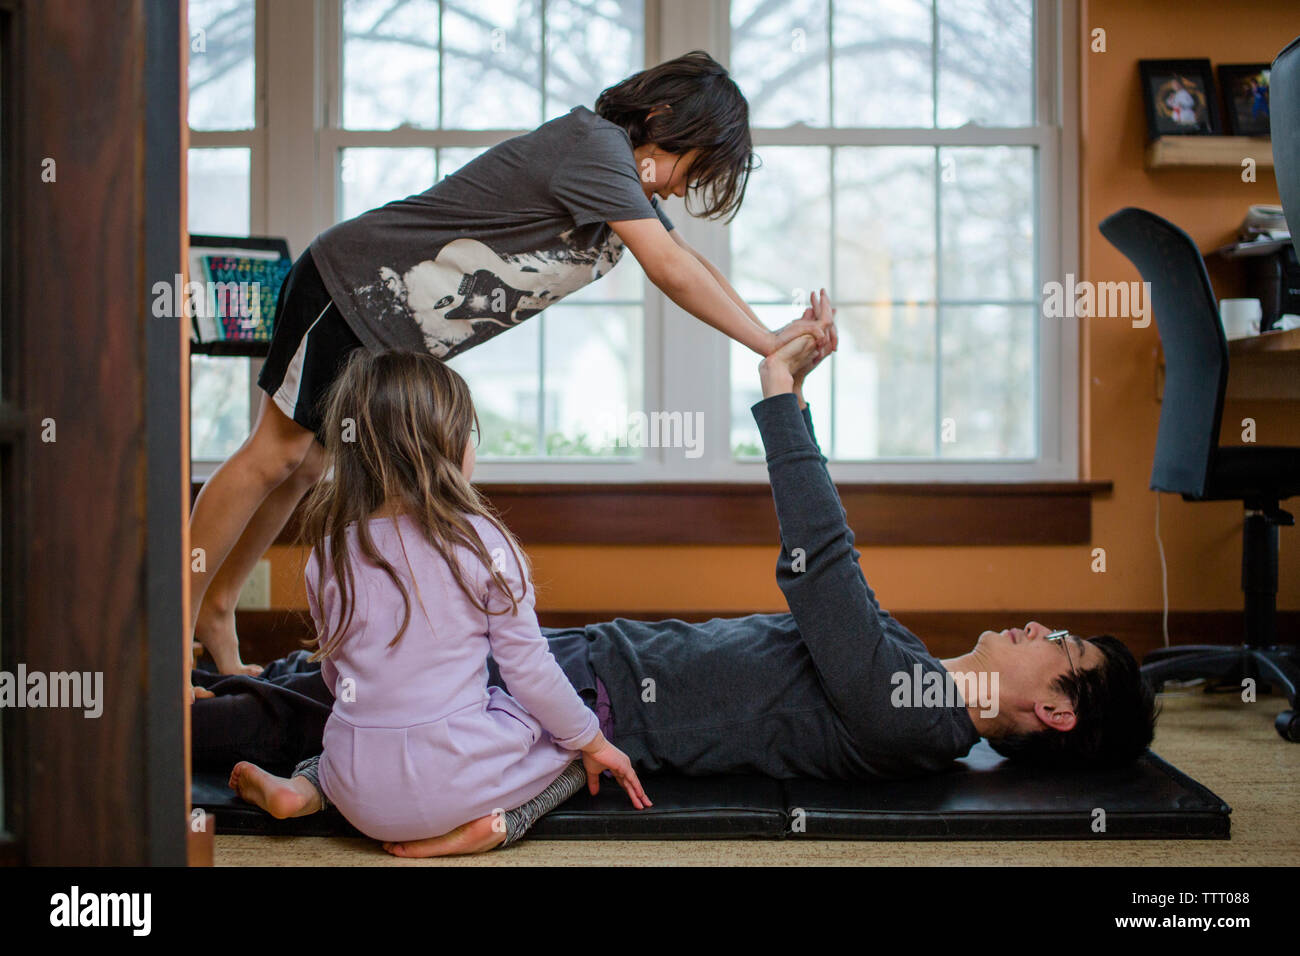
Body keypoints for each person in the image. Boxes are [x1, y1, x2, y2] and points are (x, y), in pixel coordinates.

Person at [198, 294, 1158, 855]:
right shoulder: (913, 682)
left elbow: (822, 571)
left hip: (594, 697)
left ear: (1058, 710)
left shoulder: (918, 713)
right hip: (604, 662)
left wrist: (779, 398)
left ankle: (181, 718)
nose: (1036, 628)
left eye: (1057, 645)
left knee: (334, 701)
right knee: (344, 674)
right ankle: (242, 699)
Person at [188, 49, 827, 690]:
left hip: (380, 328)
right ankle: (169, 636)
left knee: (302, 468)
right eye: (693, 167)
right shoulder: (597, 146)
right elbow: (672, 270)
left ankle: (217, 611)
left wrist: (774, 337)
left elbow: (692, 261)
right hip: (352, 287)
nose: (684, 189)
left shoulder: (620, 186)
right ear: (661, 117)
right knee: (273, 455)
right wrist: (766, 342)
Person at [228, 347, 651, 855]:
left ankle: (303, 790)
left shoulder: (329, 551)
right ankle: (493, 828)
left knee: (346, 735)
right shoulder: (484, 542)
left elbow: (337, 680)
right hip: (456, 785)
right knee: (573, 743)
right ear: (444, 445)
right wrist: (596, 743)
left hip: (360, 793)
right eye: (468, 433)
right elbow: (530, 672)